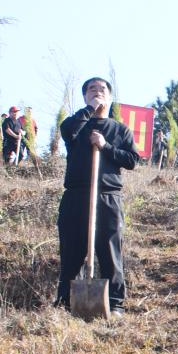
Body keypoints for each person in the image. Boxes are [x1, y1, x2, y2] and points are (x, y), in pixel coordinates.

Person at [55, 77, 139, 314]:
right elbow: (67, 131)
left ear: (110, 97)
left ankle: (115, 305)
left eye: (102, 90)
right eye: (92, 90)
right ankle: (66, 303)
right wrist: (91, 109)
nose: (97, 92)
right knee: (71, 252)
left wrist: (105, 146)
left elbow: (132, 160)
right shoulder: (76, 125)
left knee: (111, 252)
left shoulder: (120, 130)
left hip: (108, 196)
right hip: (76, 195)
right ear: (84, 96)